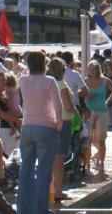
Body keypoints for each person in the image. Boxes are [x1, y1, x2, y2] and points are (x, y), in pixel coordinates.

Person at [16, 51, 62, 214]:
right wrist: (59, 124)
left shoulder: (23, 80)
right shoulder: (49, 81)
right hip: (46, 127)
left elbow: (22, 72)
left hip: (27, 127)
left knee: (26, 170)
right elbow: (58, 106)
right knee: (43, 171)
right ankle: (41, 209)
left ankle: (23, 209)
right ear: (44, 64)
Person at [46, 57, 76, 201]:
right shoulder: (61, 84)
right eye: (64, 69)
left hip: (50, 122)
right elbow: (68, 106)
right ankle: (58, 191)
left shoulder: (47, 83)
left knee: (50, 159)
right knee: (59, 158)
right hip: (64, 122)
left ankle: (50, 190)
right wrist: (76, 111)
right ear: (61, 70)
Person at [82, 59, 112, 176]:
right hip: (89, 112)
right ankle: (87, 165)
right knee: (88, 140)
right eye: (90, 70)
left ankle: (101, 163)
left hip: (102, 111)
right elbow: (79, 94)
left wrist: (107, 102)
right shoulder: (85, 81)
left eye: (94, 69)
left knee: (101, 139)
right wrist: (87, 96)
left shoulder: (104, 80)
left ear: (98, 70)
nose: (92, 71)